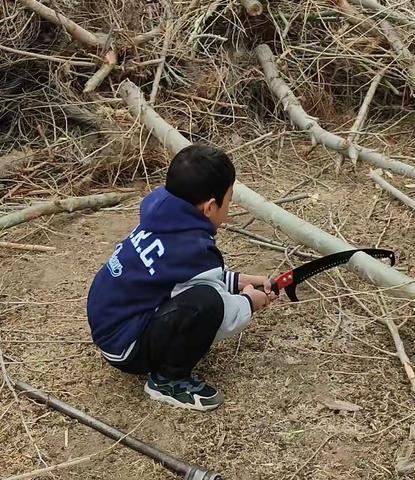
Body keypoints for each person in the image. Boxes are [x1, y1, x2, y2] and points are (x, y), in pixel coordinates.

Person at [87, 144, 276, 412]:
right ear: (210, 207)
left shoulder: (163, 218)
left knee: (206, 295)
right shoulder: (194, 247)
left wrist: (237, 280)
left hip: (112, 325)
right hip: (128, 348)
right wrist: (248, 302)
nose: (230, 205)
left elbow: (174, 276)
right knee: (208, 303)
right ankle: (168, 380)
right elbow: (220, 313)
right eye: (230, 198)